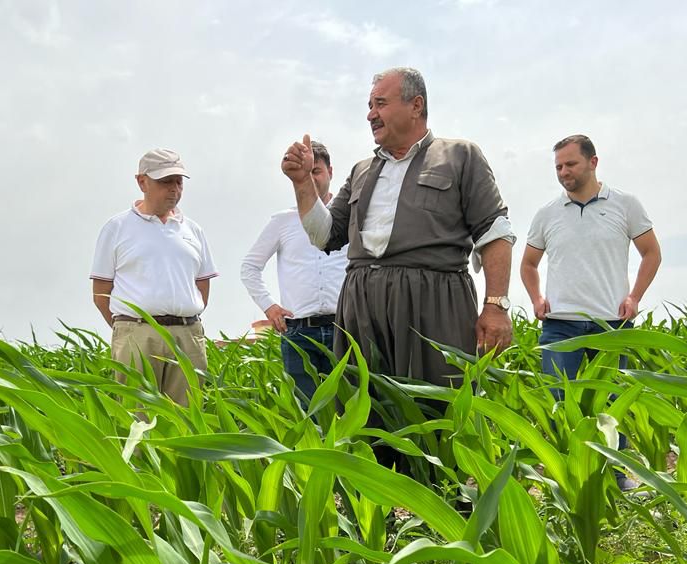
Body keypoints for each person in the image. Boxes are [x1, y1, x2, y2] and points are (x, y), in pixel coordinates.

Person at [281, 67, 515, 388]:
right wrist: (302, 183)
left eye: (380, 104)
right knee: (367, 412)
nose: (370, 115)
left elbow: (495, 232)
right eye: (369, 106)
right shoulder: (361, 171)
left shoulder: (460, 156)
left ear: (416, 106)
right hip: (362, 309)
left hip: (434, 306)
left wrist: (496, 306)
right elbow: (324, 236)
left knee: (438, 408)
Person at [520, 134, 662, 490]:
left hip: (611, 325)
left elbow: (651, 253)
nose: (563, 172)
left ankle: (617, 481)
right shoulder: (547, 214)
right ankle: (567, 484)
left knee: (613, 406)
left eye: (570, 164)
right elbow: (528, 264)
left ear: (593, 162)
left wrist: (635, 296)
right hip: (559, 327)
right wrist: (537, 298)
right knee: (557, 405)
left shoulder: (625, 205)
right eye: (558, 167)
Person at [91, 148, 218, 405]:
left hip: (187, 334)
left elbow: (202, 284)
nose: (173, 189)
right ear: (142, 181)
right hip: (137, 333)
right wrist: (126, 329)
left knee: (187, 418)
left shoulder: (193, 230)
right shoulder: (117, 228)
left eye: (178, 182)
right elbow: (101, 292)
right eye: (165, 182)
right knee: (138, 417)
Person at [241, 140, 348, 397]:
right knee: (306, 414)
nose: (311, 179)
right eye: (307, 172)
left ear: (330, 173)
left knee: (347, 408)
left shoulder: (349, 218)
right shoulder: (283, 221)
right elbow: (250, 267)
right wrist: (269, 306)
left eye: (316, 171)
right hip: (300, 333)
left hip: (344, 330)